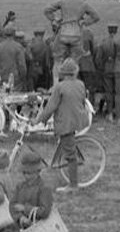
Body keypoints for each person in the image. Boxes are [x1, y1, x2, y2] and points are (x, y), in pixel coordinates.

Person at [31, 58, 87, 193]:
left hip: (65, 123)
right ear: (75, 72)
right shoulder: (80, 84)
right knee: (69, 146)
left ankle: (73, 185)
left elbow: (51, 107)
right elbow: (82, 101)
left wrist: (39, 120)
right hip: (78, 120)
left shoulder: (60, 87)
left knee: (70, 155)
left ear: (63, 73)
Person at [43, 0, 100, 81]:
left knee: (58, 60)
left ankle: (56, 83)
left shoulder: (63, 1)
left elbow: (47, 10)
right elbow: (96, 16)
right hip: (76, 34)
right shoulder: (83, 3)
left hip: (63, 33)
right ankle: (72, 82)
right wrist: (84, 22)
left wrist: (54, 19)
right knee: (75, 61)